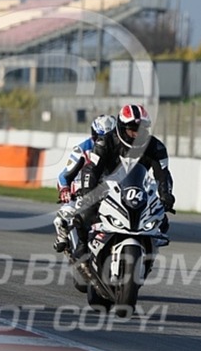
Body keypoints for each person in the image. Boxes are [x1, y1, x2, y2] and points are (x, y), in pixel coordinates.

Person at [76, 103, 175, 255]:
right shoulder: (105, 142)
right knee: (84, 214)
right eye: (132, 130)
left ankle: (148, 253)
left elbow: (163, 174)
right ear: (121, 128)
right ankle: (82, 246)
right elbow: (91, 169)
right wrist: (88, 192)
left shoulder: (156, 147)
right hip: (105, 188)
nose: (136, 134)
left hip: (138, 191)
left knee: (163, 222)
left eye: (141, 130)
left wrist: (166, 195)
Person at [53, 114, 117, 253]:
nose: (104, 141)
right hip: (81, 193)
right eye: (100, 137)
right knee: (63, 219)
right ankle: (65, 238)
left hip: (110, 194)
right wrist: (65, 190)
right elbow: (64, 175)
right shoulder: (83, 149)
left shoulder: (120, 150)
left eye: (109, 137)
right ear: (94, 134)